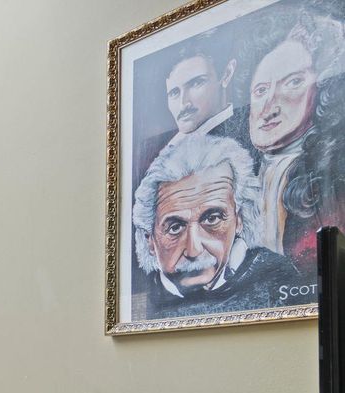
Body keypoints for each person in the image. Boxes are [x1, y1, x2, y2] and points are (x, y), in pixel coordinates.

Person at [132, 134, 303, 319]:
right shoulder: (135, 301)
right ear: (150, 240)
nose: (194, 250)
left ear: (239, 219)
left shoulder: (275, 276)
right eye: (175, 228)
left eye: (212, 219)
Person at [248, 12, 345, 267]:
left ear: (321, 89)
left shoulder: (332, 180)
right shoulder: (240, 180)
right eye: (261, 90)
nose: (269, 107)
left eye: (293, 82)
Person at [134, 35, 250, 188]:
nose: (183, 103)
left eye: (196, 83)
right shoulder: (162, 146)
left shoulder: (249, 135)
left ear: (227, 74)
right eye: (174, 92)